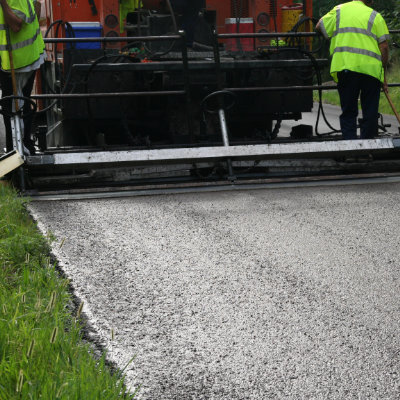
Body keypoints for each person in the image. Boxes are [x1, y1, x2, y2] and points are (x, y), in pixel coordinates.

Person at [316, 0, 389, 140]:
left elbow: (320, 26)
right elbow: (384, 47)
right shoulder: (375, 16)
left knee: (349, 111)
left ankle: (351, 148)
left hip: (346, 67)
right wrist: (383, 74)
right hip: (371, 70)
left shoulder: (339, 10)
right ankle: (366, 148)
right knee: (370, 111)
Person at [0, 0, 45, 154]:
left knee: (11, 106)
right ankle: (24, 145)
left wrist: (3, 3)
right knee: (19, 102)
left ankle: (16, 149)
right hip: (24, 57)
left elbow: (16, 25)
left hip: (20, 61)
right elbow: (38, 8)